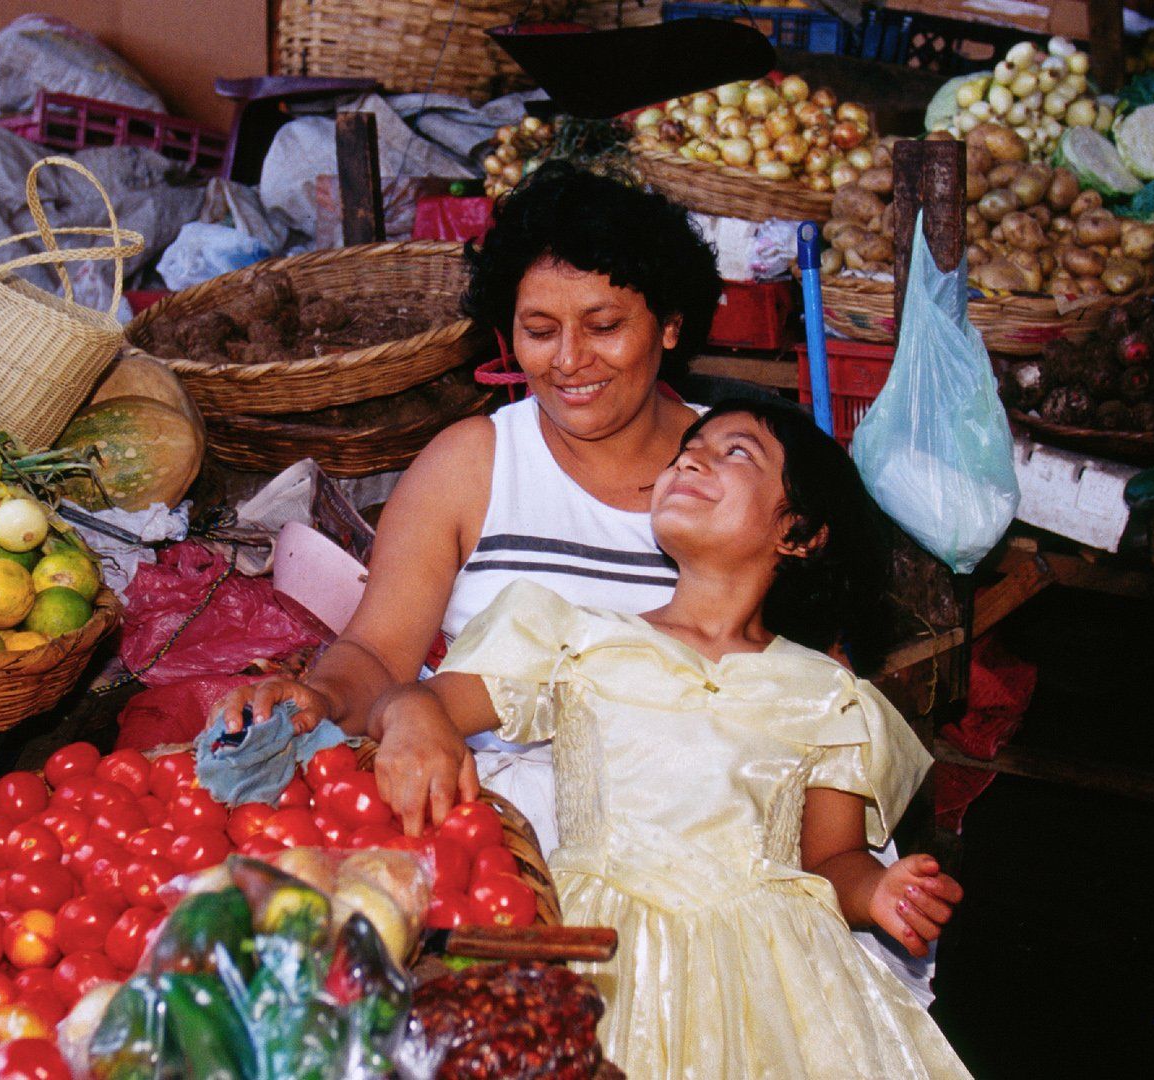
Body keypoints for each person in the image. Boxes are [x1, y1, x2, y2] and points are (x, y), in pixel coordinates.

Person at [365, 401, 968, 1078]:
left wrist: (879, 891)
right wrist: (413, 712)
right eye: (689, 448)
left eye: (736, 453)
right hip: (601, 945)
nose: (692, 458)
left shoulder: (826, 691)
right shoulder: (576, 639)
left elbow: (833, 860)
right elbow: (418, 700)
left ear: (797, 532)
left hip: (772, 972)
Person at [212, 162, 721, 846]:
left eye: (603, 326)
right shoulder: (472, 463)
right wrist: (321, 699)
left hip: (686, 829)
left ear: (669, 326)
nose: (570, 360)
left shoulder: (734, 468)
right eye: (541, 331)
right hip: (486, 827)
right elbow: (377, 651)